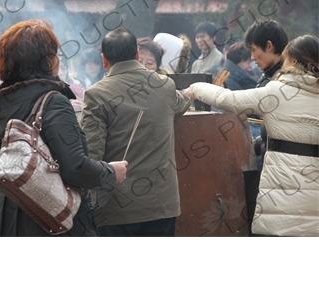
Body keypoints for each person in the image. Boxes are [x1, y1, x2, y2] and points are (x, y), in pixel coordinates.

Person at [0, 19, 128, 237]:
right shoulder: (53, 100)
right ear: (46, 60)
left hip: (3, 214)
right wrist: (111, 172)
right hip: (45, 216)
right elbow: (75, 168)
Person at [184, 34, 319, 237]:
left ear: (293, 61)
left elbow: (229, 99)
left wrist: (196, 87)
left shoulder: (276, 91)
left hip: (279, 205)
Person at [80, 27, 191, 237]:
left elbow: (91, 156)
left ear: (104, 60)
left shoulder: (96, 94)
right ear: (137, 55)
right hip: (161, 204)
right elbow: (182, 103)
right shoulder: (165, 85)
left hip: (117, 208)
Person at [244, 19, 289, 168]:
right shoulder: (267, 75)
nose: (252, 57)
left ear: (269, 46)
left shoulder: (288, 81)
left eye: (253, 50)